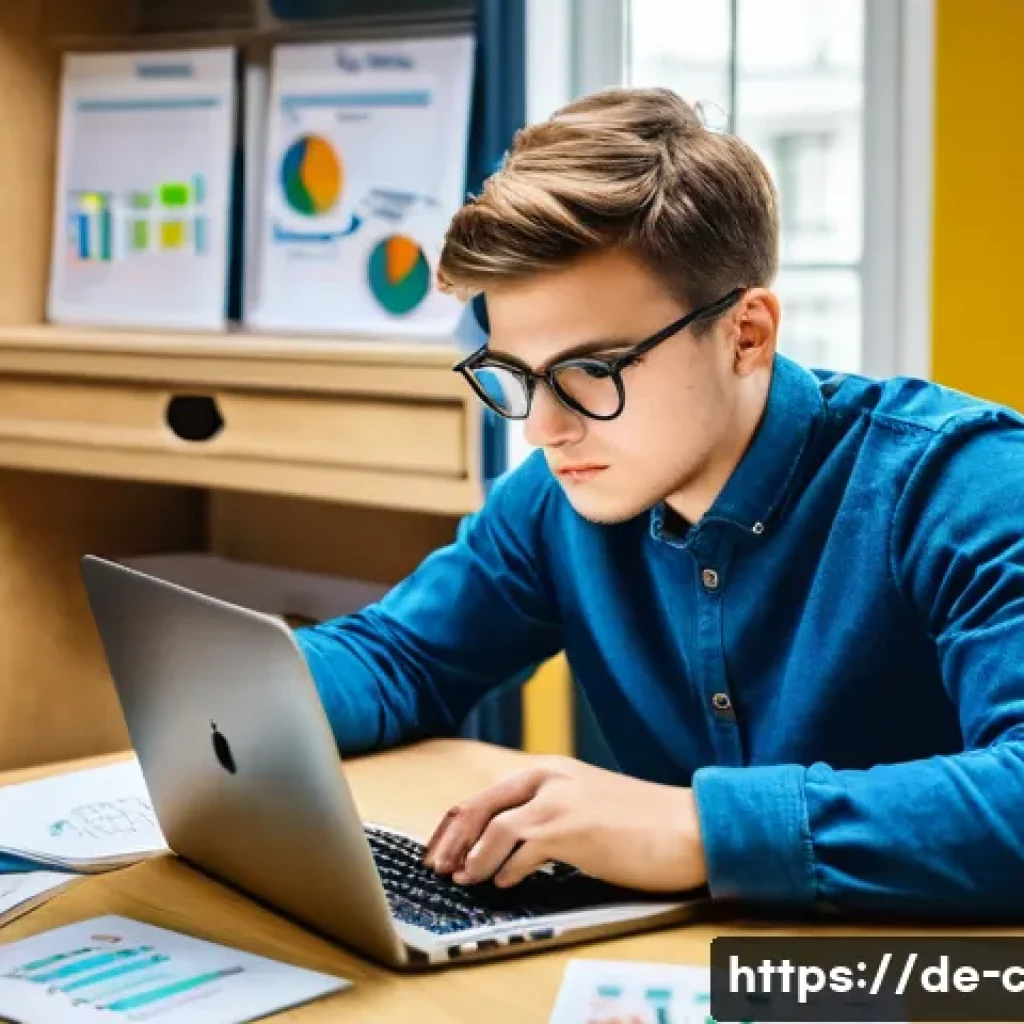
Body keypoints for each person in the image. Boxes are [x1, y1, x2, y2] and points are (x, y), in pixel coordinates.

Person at [296, 87, 1024, 917]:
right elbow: (402, 659)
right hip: (682, 963)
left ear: (746, 334)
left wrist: (697, 829)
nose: (542, 429)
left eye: (592, 371)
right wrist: (229, 702)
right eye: (515, 376)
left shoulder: (966, 485)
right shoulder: (558, 497)